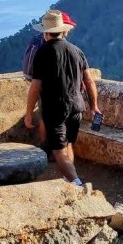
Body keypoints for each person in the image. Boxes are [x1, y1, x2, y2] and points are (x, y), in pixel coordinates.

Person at [24, 9, 99, 186]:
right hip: (77, 107)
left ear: (45, 32)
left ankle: (78, 185)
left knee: (58, 151)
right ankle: (69, 181)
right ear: (63, 30)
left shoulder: (43, 53)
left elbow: (35, 87)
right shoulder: (77, 51)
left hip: (55, 108)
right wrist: (94, 106)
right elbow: (89, 81)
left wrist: (28, 113)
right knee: (67, 146)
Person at [23, 11, 77, 149]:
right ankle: (50, 149)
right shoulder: (49, 47)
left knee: (46, 120)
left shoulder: (38, 42)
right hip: (51, 91)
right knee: (45, 120)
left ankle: (49, 149)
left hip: (49, 91)